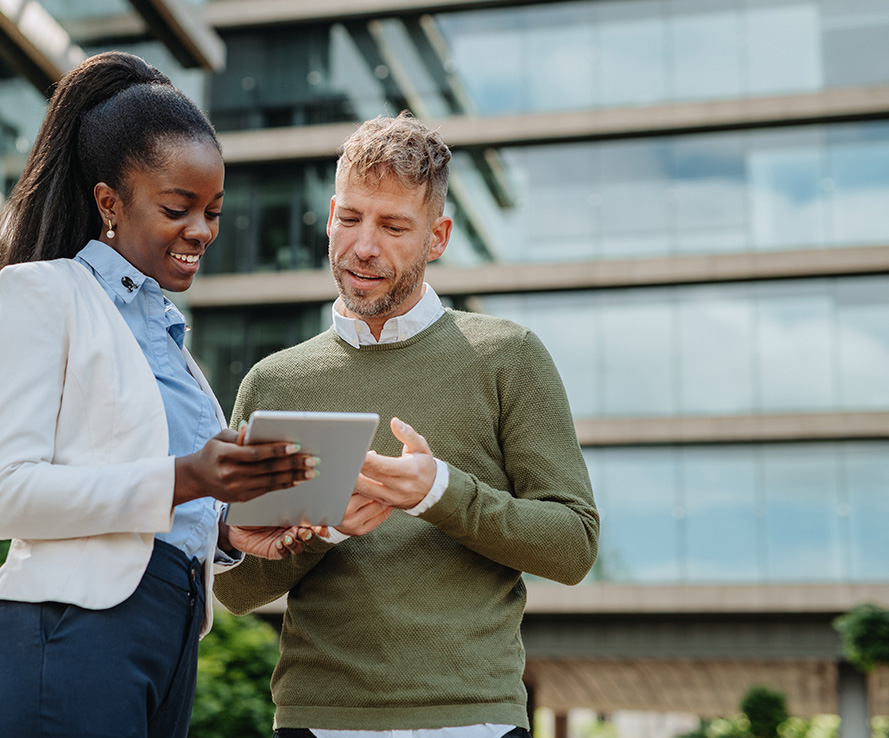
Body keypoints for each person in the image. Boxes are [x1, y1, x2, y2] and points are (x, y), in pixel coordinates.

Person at [0, 51, 320, 738]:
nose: (203, 232)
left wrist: (228, 529)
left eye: (212, 211)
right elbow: (2, 495)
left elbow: (155, 501)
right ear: (109, 203)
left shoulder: (175, 350)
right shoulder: (44, 295)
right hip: (67, 643)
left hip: (166, 642)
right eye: (178, 209)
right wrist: (187, 477)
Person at [213, 113, 601, 737]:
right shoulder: (273, 383)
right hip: (318, 720)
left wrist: (438, 493)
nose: (364, 246)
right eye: (350, 219)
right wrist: (323, 529)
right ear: (332, 213)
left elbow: (573, 544)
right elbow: (235, 590)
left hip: (472, 719)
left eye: (394, 227)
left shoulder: (507, 356)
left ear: (438, 237)